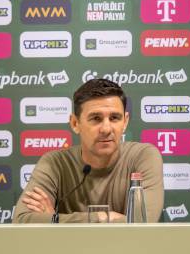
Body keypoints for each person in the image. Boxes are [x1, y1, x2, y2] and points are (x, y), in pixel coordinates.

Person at [13, 78, 164, 223]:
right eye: (96, 118)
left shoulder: (143, 156)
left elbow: (145, 222)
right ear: (75, 123)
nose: (106, 129)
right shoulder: (55, 163)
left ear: (125, 122)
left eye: (114, 118)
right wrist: (103, 217)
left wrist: (54, 220)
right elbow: (22, 220)